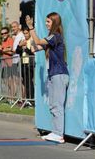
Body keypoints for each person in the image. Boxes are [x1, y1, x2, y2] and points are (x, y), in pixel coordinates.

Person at [26, 13, 69, 143]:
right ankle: (56, 132)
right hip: (53, 75)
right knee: (53, 105)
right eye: (46, 21)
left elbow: (39, 41)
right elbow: (35, 47)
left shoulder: (55, 36)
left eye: (48, 21)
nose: (46, 24)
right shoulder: (51, 39)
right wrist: (28, 41)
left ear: (55, 22)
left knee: (57, 105)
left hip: (59, 75)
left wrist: (31, 28)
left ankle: (59, 134)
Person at [0, 27, 14, 103]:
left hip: (10, 63)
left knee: (11, 81)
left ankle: (12, 98)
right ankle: (10, 97)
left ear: (8, 33)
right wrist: (0, 50)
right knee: (5, 81)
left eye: (5, 33)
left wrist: (3, 49)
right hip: (4, 64)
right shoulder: (2, 41)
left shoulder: (11, 40)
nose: (4, 34)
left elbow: (12, 52)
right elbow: (3, 52)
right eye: (2, 33)